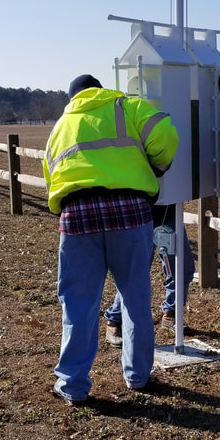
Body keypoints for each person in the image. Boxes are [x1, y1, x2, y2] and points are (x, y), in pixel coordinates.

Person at [43, 74, 179, 403]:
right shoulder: (127, 107)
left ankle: (73, 385)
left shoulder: (60, 127)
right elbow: (165, 133)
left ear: (72, 98)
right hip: (130, 212)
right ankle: (138, 377)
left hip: (77, 216)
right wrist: (156, 165)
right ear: (99, 89)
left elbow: (51, 177)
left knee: (78, 304)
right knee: (135, 298)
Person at [103, 203, 195, 346]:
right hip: (140, 212)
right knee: (136, 272)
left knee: (183, 267)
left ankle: (171, 313)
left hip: (170, 211)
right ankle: (115, 318)